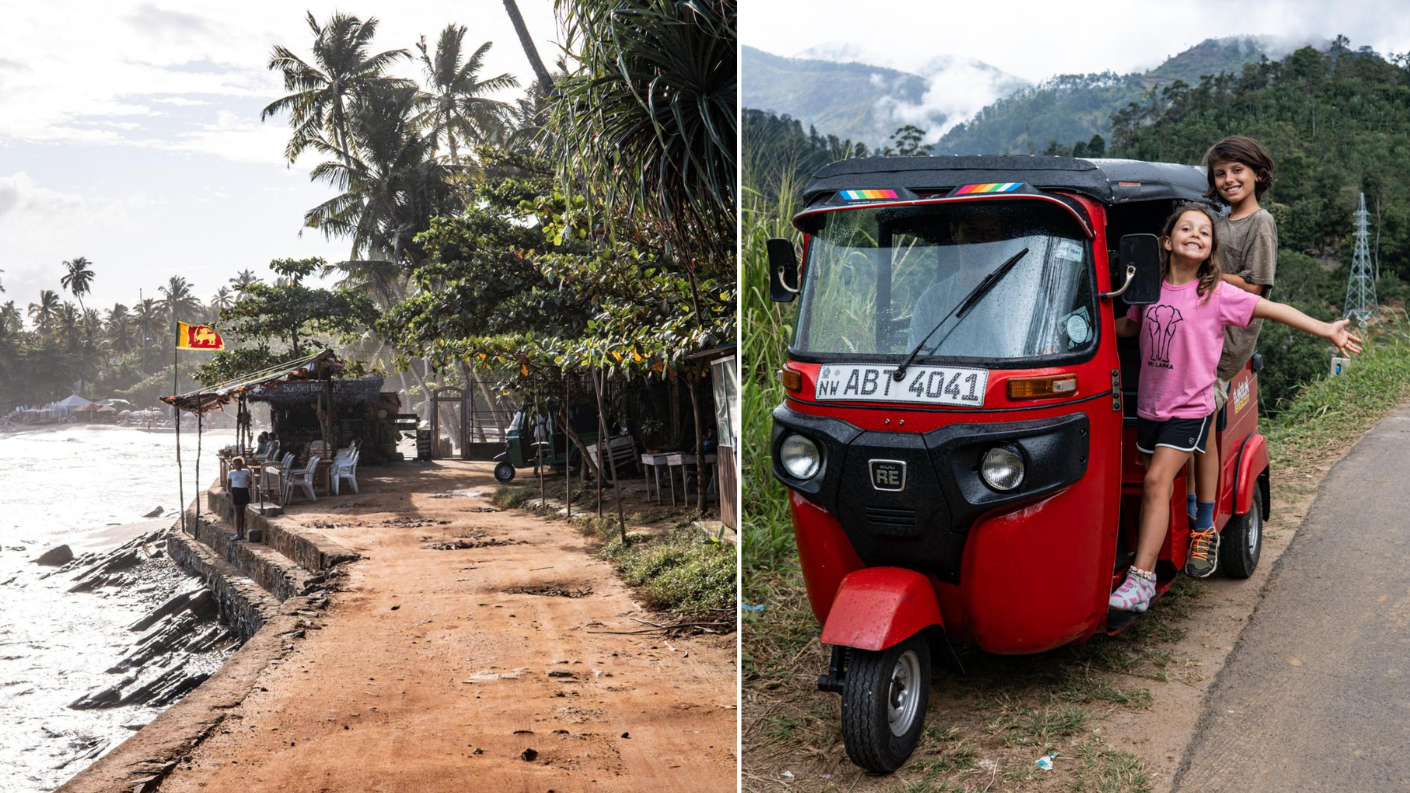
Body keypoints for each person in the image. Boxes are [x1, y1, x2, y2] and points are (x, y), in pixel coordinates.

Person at [1108, 204, 1360, 611]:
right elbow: (1132, 326)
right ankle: (1179, 537)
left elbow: (1274, 310)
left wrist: (1325, 328)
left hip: (1190, 409)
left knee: (1156, 482)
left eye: (1204, 232)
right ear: (1167, 242)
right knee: (1157, 489)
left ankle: (1141, 581)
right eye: (1186, 228)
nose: (1195, 234)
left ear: (1210, 251)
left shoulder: (1216, 294)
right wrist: (1086, 325)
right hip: (1153, 409)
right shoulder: (1148, 290)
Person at [1185, 136, 1280, 568]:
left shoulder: (1260, 222)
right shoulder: (1215, 221)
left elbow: (1258, 286)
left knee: (1201, 426)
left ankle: (1203, 519)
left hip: (1226, 345)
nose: (1228, 180)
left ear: (1258, 174)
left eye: (1237, 171)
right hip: (1199, 333)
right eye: (1220, 173)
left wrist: (1210, 275)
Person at [227, 457, 252, 541]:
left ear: (242, 464)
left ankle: (242, 532)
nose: (238, 466)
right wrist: (230, 493)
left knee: (242, 513)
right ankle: (237, 532)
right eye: (236, 464)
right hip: (235, 492)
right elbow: (228, 485)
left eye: (239, 464)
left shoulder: (246, 471)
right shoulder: (231, 473)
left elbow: (249, 482)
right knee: (237, 513)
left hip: (244, 491)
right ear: (233, 465)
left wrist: (249, 481)